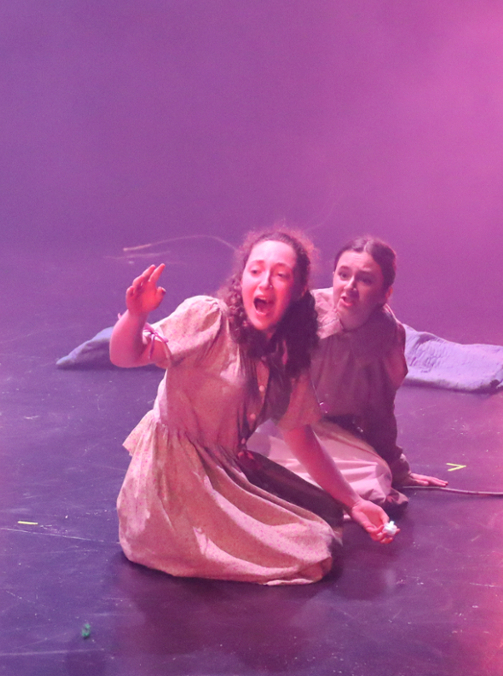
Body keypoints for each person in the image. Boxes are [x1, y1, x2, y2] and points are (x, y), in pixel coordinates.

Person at [110, 229, 396, 586]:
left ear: (298, 290)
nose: (265, 283)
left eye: (280, 275)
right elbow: (125, 355)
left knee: (323, 518)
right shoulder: (209, 319)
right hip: (169, 483)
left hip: (222, 472)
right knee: (310, 549)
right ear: (241, 279)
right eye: (256, 271)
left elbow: (301, 438)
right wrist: (136, 317)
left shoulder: (287, 354)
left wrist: (353, 503)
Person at [249, 237, 447, 510]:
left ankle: (293, 489)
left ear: (385, 293)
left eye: (365, 281)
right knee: (253, 453)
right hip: (281, 426)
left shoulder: (387, 337)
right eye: (343, 275)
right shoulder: (301, 311)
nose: (350, 287)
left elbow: (381, 412)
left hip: (331, 436)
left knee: (375, 475)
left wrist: (398, 471)